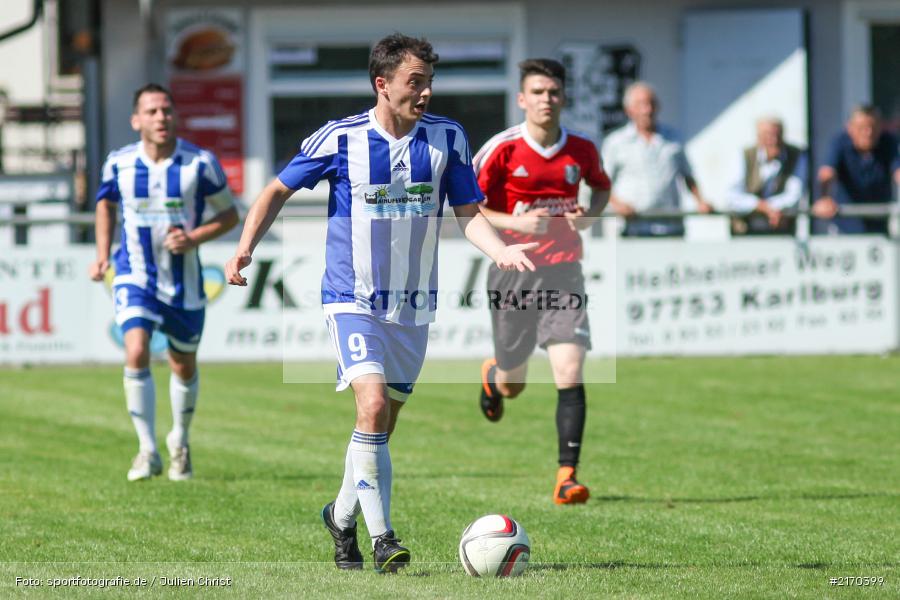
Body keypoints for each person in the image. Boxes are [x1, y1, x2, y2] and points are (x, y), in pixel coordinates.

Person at [224, 33, 536, 573]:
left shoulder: (449, 139)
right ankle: (383, 538)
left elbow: (468, 213)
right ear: (382, 84)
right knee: (369, 408)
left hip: (413, 308)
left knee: (379, 429)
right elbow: (275, 189)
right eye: (415, 82)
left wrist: (500, 249)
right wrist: (245, 246)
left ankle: (340, 518)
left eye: (429, 82)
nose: (426, 93)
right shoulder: (339, 139)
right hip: (351, 298)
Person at [473, 58, 611, 505]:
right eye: (537, 92)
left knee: (570, 371)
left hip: (565, 271)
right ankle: (495, 376)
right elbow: (467, 206)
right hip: (513, 272)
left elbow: (601, 188)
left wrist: (587, 216)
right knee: (515, 383)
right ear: (521, 99)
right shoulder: (502, 149)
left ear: (563, 98)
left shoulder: (583, 150)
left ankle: (566, 477)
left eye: (553, 92)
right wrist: (513, 221)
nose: (545, 100)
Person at [90, 83, 239, 482]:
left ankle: (180, 441)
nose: (161, 118)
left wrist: (192, 238)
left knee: (182, 364)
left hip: (185, 283)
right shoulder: (118, 163)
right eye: (152, 111)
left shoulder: (200, 164)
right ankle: (146, 450)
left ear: (175, 117)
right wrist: (103, 253)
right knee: (135, 349)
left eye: (167, 111)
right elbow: (104, 204)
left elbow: (229, 216)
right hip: (134, 273)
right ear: (136, 120)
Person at [601, 81, 712, 236]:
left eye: (652, 103)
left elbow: (687, 175)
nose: (648, 110)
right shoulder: (616, 142)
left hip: (670, 227)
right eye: (641, 104)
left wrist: (700, 200)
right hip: (634, 228)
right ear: (629, 110)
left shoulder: (673, 137)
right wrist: (618, 205)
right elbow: (600, 184)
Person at [814, 105, 900, 235]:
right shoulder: (840, 142)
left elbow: (898, 172)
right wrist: (824, 198)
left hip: (879, 226)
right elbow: (827, 173)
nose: (868, 132)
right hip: (845, 226)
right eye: (862, 128)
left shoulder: (889, 142)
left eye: (873, 127)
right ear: (849, 128)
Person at [726, 116, 806, 235]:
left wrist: (772, 208)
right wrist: (763, 207)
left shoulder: (796, 155)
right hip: (745, 229)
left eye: (777, 135)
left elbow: (795, 194)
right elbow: (732, 195)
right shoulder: (744, 155)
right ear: (758, 137)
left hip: (781, 230)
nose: (773, 140)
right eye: (768, 135)